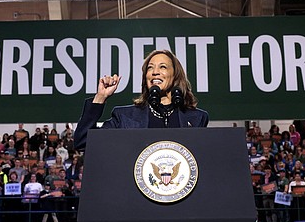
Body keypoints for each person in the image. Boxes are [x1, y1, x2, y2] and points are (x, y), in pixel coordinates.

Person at [74, 49, 209, 151]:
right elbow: (83, 142)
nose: (155, 72)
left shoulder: (197, 118)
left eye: (163, 67)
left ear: (175, 75)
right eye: (150, 68)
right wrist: (100, 97)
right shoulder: (125, 118)